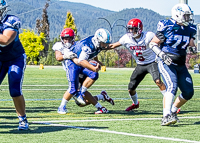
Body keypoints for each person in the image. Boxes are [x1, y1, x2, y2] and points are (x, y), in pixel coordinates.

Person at [149, 3, 196, 126]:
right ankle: (166, 116)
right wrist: (162, 55)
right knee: (171, 87)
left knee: (188, 92)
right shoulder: (167, 26)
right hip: (166, 62)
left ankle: (173, 111)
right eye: (185, 16)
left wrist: (192, 48)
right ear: (177, 15)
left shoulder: (190, 28)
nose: (188, 18)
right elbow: (152, 44)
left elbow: (190, 42)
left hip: (181, 64)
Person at [52, 28, 114, 114]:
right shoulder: (59, 45)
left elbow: (92, 52)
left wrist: (97, 62)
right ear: (62, 38)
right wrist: (66, 56)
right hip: (72, 67)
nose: (67, 41)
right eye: (65, 39)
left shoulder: (78, 44)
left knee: (93, 75)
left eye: (70, 38)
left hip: (81, 65)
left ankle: (98, 105)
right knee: (80, 101)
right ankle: (101, 98)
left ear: (73, 38)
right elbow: (58, 57)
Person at [109, 18, 166, 111]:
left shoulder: (149, 36)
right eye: (130, 29)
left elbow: (161, 41)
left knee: (158, 81)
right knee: (131, 88)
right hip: (140, 65)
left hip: (152, 62)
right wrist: (100, 47)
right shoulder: (126, 38)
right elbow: (113, 46)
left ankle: (170, 103)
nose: (131, 31)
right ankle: (135, 104)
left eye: (133, 29)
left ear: (139, 29)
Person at [0, 0, 28, 130]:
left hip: (15, 58)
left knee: (15, 89)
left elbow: (5, 40)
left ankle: (23, 119)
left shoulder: (11, 20)